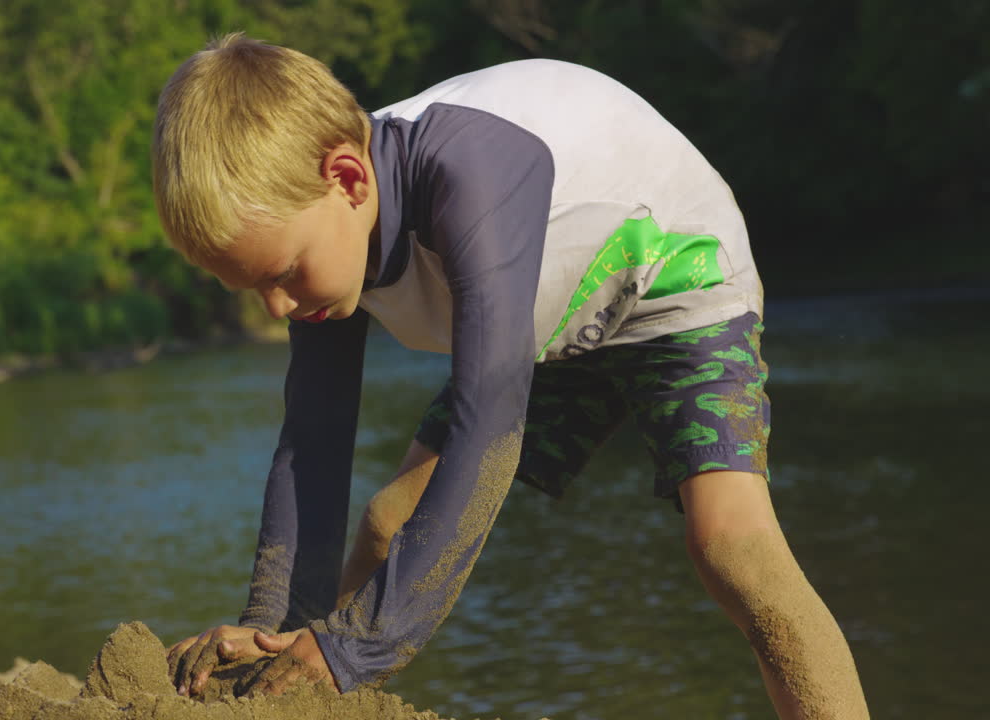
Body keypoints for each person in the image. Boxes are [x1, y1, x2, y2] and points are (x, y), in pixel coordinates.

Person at [152, 32, 870, 718]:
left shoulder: (464, 174)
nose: (277, 304)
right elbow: (312, 441)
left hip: (677, 280)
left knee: (730, 547)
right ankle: (302, 694)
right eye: (252, 290)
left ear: (348, 178)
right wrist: (274, 626)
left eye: (281, 275)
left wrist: (358, 647)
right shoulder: (317, 213)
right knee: (387, 524)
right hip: (545, 321)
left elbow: (488, 420)